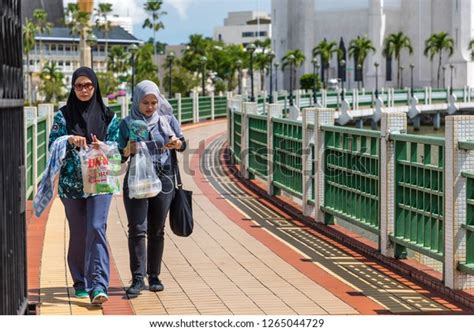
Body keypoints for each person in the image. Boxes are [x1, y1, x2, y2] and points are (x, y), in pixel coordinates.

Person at [48, 67, 119, 305]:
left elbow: (118, 147)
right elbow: (51, 145)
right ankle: (80, 281)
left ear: (95, 86)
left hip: (100, 181)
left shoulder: (109, 116)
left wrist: (103, 146)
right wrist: (69, 139)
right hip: (72, 186)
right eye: (79, 86)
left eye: (88, 85)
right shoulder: (63, 116)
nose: (84, 90)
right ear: (73, 87)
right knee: (79, 233)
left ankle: (99, 285)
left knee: (97, 226)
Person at [118, 80, 186, 297]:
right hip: (137, 178)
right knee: (137, 228)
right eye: (145, 102)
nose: (149, 107)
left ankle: (154, 276)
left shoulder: (167, 120)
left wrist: (177, 144)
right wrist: (127, 150)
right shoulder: (127, 123)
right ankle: (137, 278)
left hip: (164, 177)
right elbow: (119, 155)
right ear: (137, 100)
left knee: (157, 229)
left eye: (153, 102)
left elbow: (183, 143)